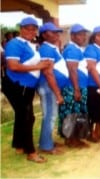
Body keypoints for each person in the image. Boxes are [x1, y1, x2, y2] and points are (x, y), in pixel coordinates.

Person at [3, 17, 50, 163]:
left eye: (33, 29)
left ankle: (19, 145)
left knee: (23, 116)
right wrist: (39, 66)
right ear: (20, 29)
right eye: (27, 28)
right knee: (27, 117)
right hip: (18, 85)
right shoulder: (14, 44)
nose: (31, 31)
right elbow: (13, 66)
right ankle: (31, 152)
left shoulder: (29, 45)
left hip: (27, 86)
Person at [37, 22, 68, 154]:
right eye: (52, 32)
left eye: (57, 32)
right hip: (48, 87)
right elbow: (48, 73)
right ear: (44, 34)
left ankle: (47, 141)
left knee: (51, 115)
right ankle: (46, 146)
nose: (56, 34)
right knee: (50, 116)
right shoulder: (45, 49)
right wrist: (58, 93)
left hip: (51, 87)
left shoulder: (52, 48)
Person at [59, 23, 89, 148]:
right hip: (72, 87)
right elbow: (72, 70)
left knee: (78, 114)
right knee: (71, 114)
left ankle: (75, 138)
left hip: (79, 86)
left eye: (84, 35)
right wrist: (77, 89)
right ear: (72, 36)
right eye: (80, 35)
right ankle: (71, 139)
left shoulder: (77, 49)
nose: (83, 37)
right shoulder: (71, 49)